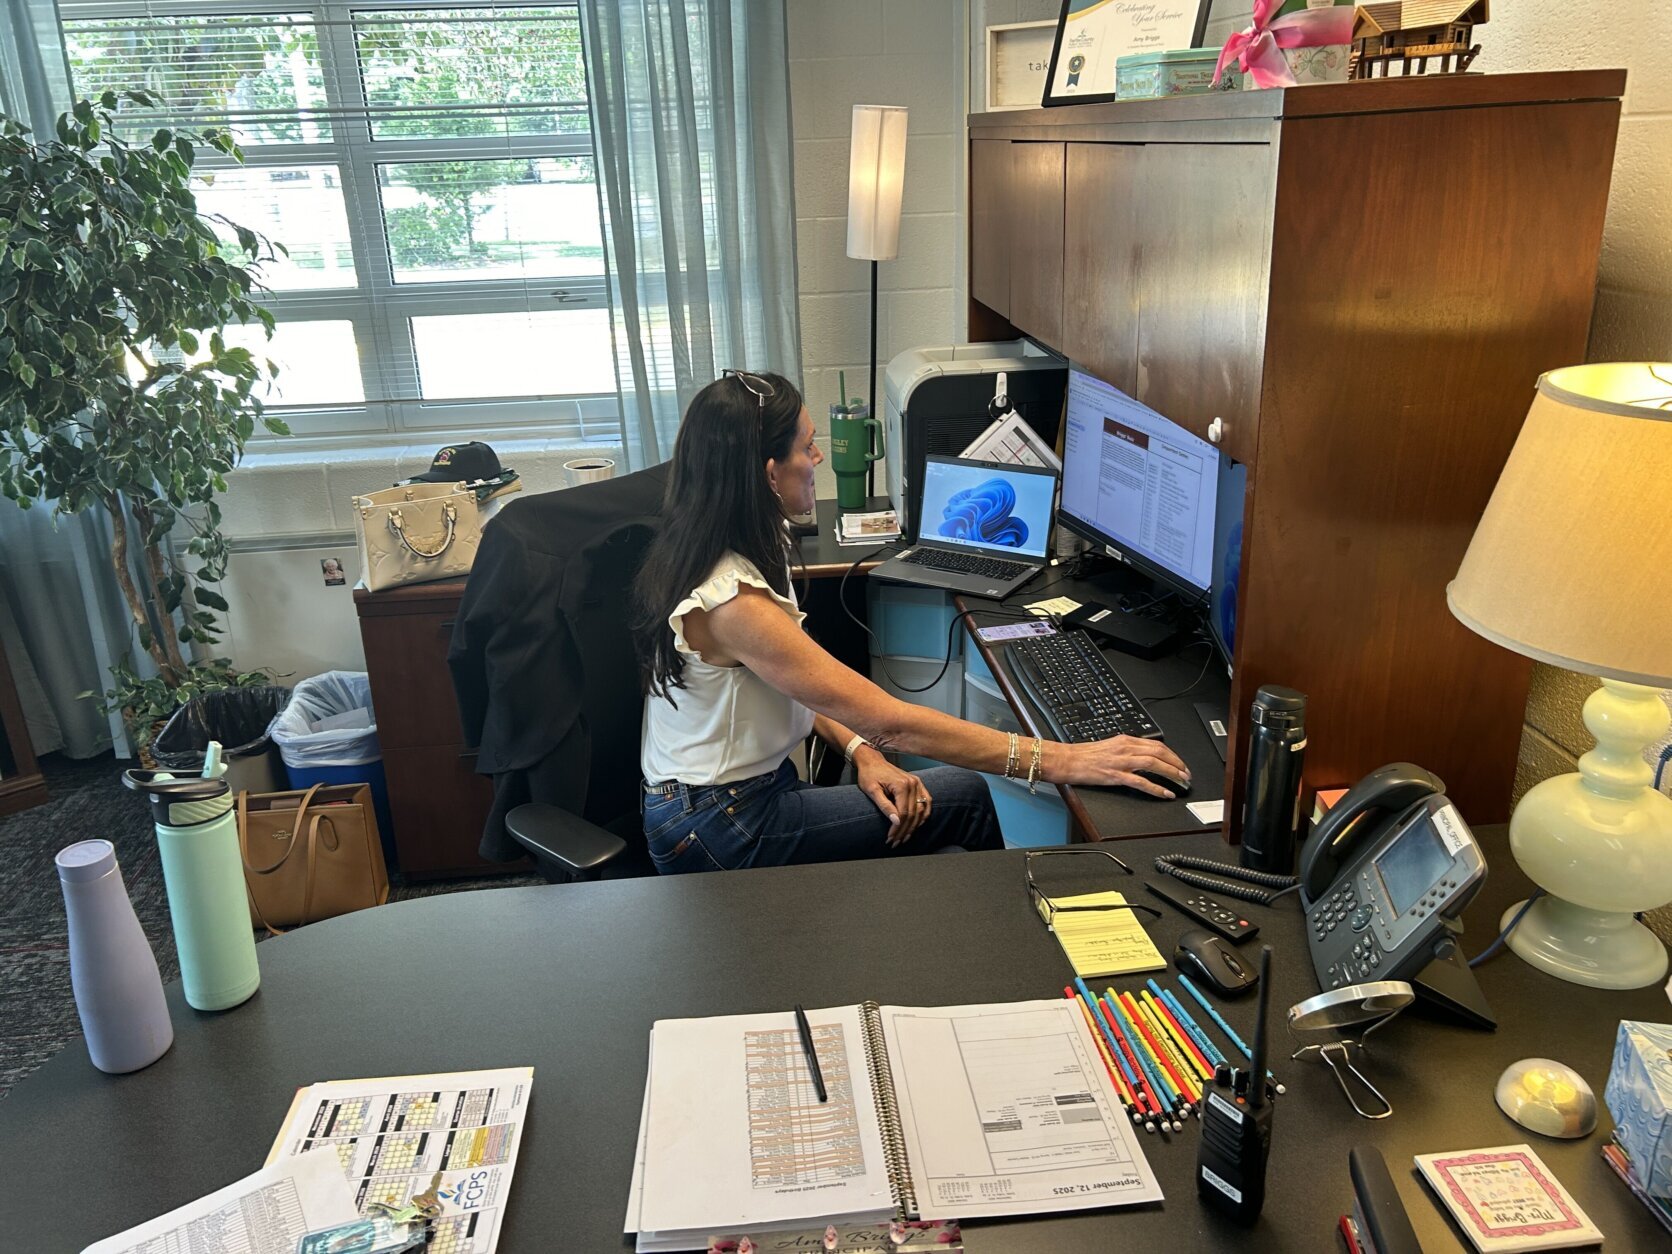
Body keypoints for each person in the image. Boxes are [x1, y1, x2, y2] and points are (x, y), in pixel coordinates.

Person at [631, 369, 1191, 874]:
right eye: (807, 446)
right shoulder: (733, 603)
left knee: (935, 806)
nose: (819, 457)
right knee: (965, 798)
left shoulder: (740, 536)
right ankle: (1006, 944)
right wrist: (1068, 760)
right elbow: (891, 722)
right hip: (717, 826)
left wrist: (863, 752)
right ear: (769, 474)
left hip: (735, 795)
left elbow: (800, 683)